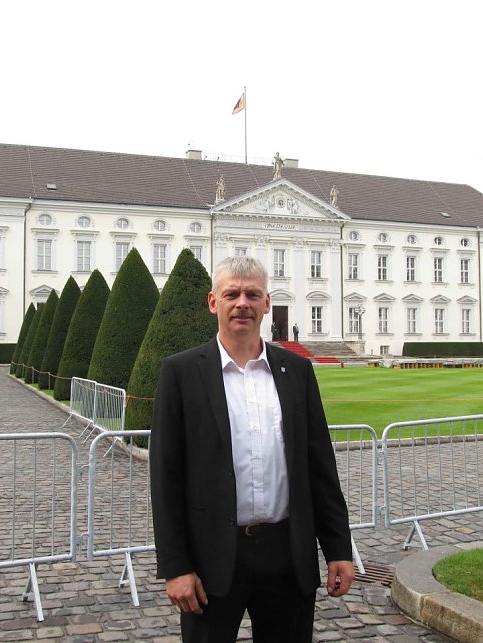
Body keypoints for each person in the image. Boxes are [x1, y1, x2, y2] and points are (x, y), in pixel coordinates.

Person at [150, 256, 354, 642]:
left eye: (252, 294)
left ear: (267, 303)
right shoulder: (181, 372)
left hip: (287, 554)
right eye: (232, 294)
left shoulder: (296, 370)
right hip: (212, 557)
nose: (242, 303)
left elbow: (319, 468)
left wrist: (338, 548)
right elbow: (166, 477)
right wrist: (176, 567)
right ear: (213, 302)